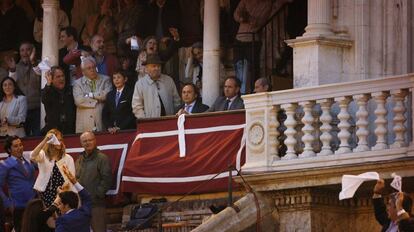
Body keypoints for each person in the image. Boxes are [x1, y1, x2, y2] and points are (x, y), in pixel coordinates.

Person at [233, 0, 273, 94]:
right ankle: (238, 91)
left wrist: (247, 17)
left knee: (250, 68)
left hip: (253, 39)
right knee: (238, 66)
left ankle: (248, 91)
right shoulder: (245, 1)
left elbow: (259, 21)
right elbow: (236, 14)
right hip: (239, 37)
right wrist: (243, 18)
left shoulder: (266, 3)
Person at [76, 131, 112, 232]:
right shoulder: (79, 159)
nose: (87, 143)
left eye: (90, 140)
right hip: (81, 205)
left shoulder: (102, 158)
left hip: (96, 205)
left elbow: (107, 180)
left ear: (95, 141)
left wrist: (97, 195)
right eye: (84, 141)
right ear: (81, 144)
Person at [30, 129, 76, 208]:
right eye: (56, 140)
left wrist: (63, 192)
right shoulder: (43, 155)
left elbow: (71, 178)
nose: (59, 142)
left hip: (63, 193)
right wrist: (45, 140)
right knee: (48, 217)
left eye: (60, 140)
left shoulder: (68, 158)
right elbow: (32, 156)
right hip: (45, 193)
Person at [0, 136, 36, 232]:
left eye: (20, 145)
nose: (20, 148)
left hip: (34, 203)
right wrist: (8, 204)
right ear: (9, 149)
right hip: (18, 206)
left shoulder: (28, 160)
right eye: (16, 146)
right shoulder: (5, 164)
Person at [5, 42, 41, 136]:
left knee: (38, 136)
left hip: (37, 107)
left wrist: (33, 62)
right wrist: (12, 69)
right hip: (21, 110)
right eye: (22, 50)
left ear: (33, 51)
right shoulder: (16, 67)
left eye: (28, 49)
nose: (25, 53)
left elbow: (40, 75)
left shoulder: (39, 64)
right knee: (22, 138)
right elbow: (10, 84)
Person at [72, 56, 112, 133]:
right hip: (85, 123)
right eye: (89, 68)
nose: (92, 70)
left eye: (93, 67)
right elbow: (79, 101)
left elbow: (107, 95)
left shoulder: (106, 79)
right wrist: (98, 100)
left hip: (101, 120)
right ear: (83, 72)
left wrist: (90, 95)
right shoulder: (77, 84)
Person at [54, 165, 92, 232]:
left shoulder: (62, 220)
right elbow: (87, 197)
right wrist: (74, 181)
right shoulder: (84, 213)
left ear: (67, 205)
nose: (58, 207)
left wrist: (55, 202)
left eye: (59, 204)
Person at [41, 66, 76, 135]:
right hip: (54, 130)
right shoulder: (47, 90)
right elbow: (44, 99)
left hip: (70, 130)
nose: (62, 79)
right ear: (52, 79)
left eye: (63, 76)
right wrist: (48, 83)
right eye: (58, 77)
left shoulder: (70, 90)